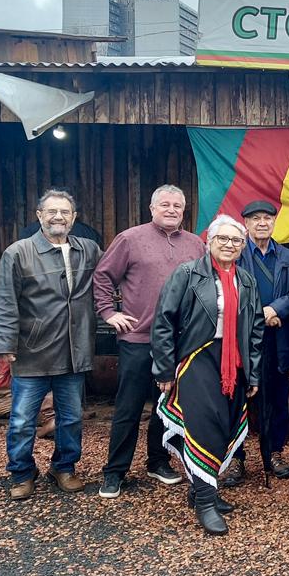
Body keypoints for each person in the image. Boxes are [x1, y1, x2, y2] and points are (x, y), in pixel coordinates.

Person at [152, 215, 263, 535]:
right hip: (196, 359)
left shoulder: (246, 280)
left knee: (226, 425)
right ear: (209, 241)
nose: (230, 245)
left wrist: (253, 374)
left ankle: (203, 486)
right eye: (223, 239)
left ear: (243, 246)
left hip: (233, 363)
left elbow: (254, 330)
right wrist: (164, 368)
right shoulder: (187, 274)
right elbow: (163, 323)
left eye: (236, 241)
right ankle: (204, 501)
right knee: (204, 426)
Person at [0, 189, 102, 500]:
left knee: (71, 417)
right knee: (23, 418)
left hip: (73, 350)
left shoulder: (88, 250)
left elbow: (110, 279)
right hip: (31, 350)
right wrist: (3, 344)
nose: (58, 217)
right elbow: (4, 302)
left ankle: (64, 468)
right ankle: (22, 473)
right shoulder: (19, 252)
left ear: (74, 218)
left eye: (65, 212)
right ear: (39, 215)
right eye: (51, 211)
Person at [95, 184, 204, 499]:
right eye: (165, 205)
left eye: (177, 206)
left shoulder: (196, 245)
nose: (171, 210)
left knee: (166, 406)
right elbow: (103, 276)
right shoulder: (130, 239)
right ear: (152, 208)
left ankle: (158, 461)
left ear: (184, 211)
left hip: (180, 341)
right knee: (128, 407)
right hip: (138, 338)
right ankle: (115, 472)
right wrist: (108, 312)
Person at [233, 200, 289, 487]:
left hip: (278, 338)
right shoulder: (234, 254)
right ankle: (235, 459)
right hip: (241, 339)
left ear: (275, 222)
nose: (262, 223)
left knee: (276, 397)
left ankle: (274, 452)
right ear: (246, 224)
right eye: (255, 219)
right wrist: (260, 314)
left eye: (267, 218)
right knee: (236, 399)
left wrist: (277, 309)